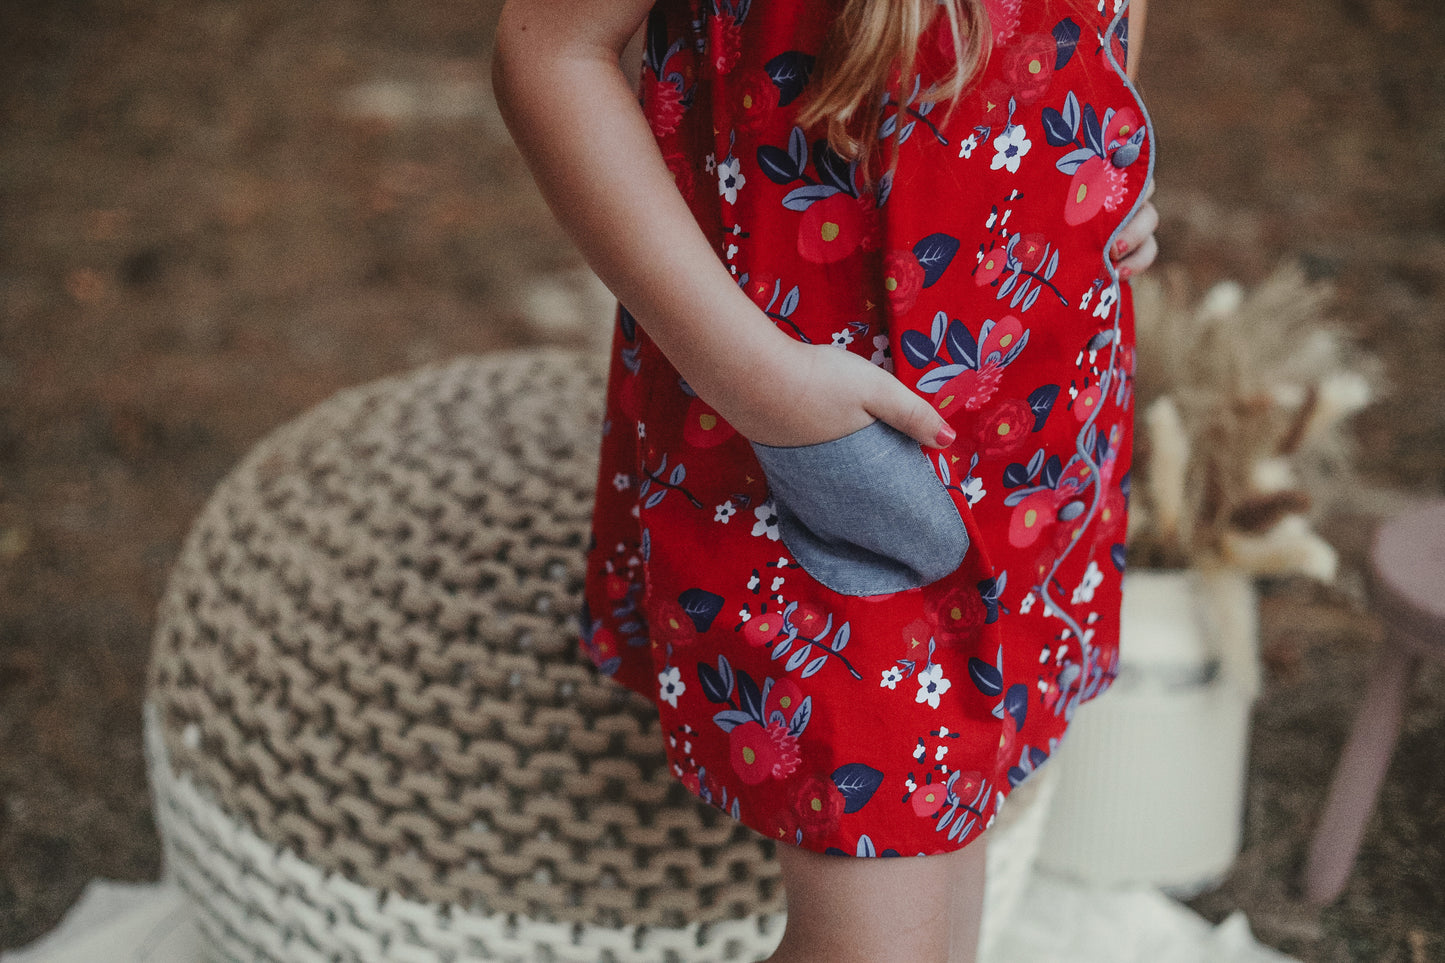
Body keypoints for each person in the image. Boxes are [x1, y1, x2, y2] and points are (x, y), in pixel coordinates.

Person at [493, 0, 1158, 959]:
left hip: (1035, 413)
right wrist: (766, 391)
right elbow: (547, 53)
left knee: (938, 893)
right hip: (806, 444)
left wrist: (1117, 123)